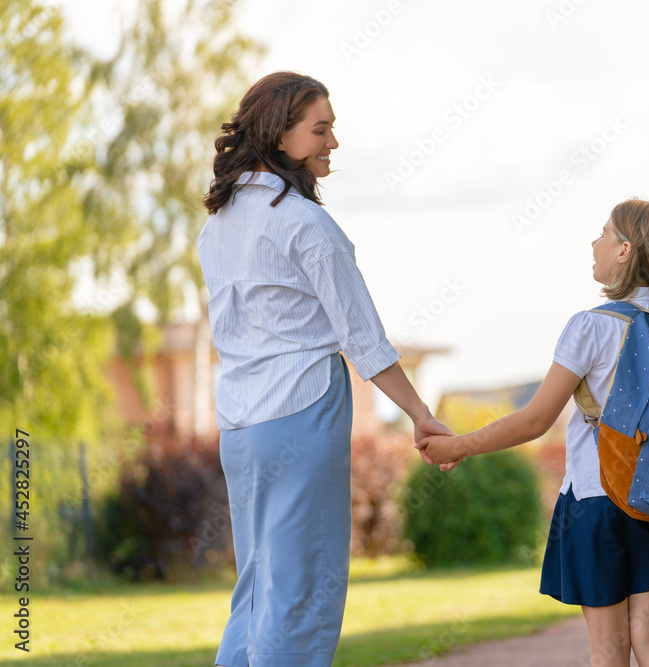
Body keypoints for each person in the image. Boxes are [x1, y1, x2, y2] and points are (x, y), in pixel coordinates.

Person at [199, 71, 453, 667]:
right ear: (280, 134)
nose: (333, 142)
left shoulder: (218, 225)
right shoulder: (308, 225)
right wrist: (420, 414)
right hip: (301, 411)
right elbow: (363, 339)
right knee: (303, 593)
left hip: (239, 425)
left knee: (257, 592)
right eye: (321, 129)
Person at [421, 198, 649, 667]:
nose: (594, 242)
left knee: (608, 647)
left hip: (598, 497)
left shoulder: (590, 326)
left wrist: (456, 445)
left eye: (604, 232)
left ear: (626, 249)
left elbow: (535, 420)